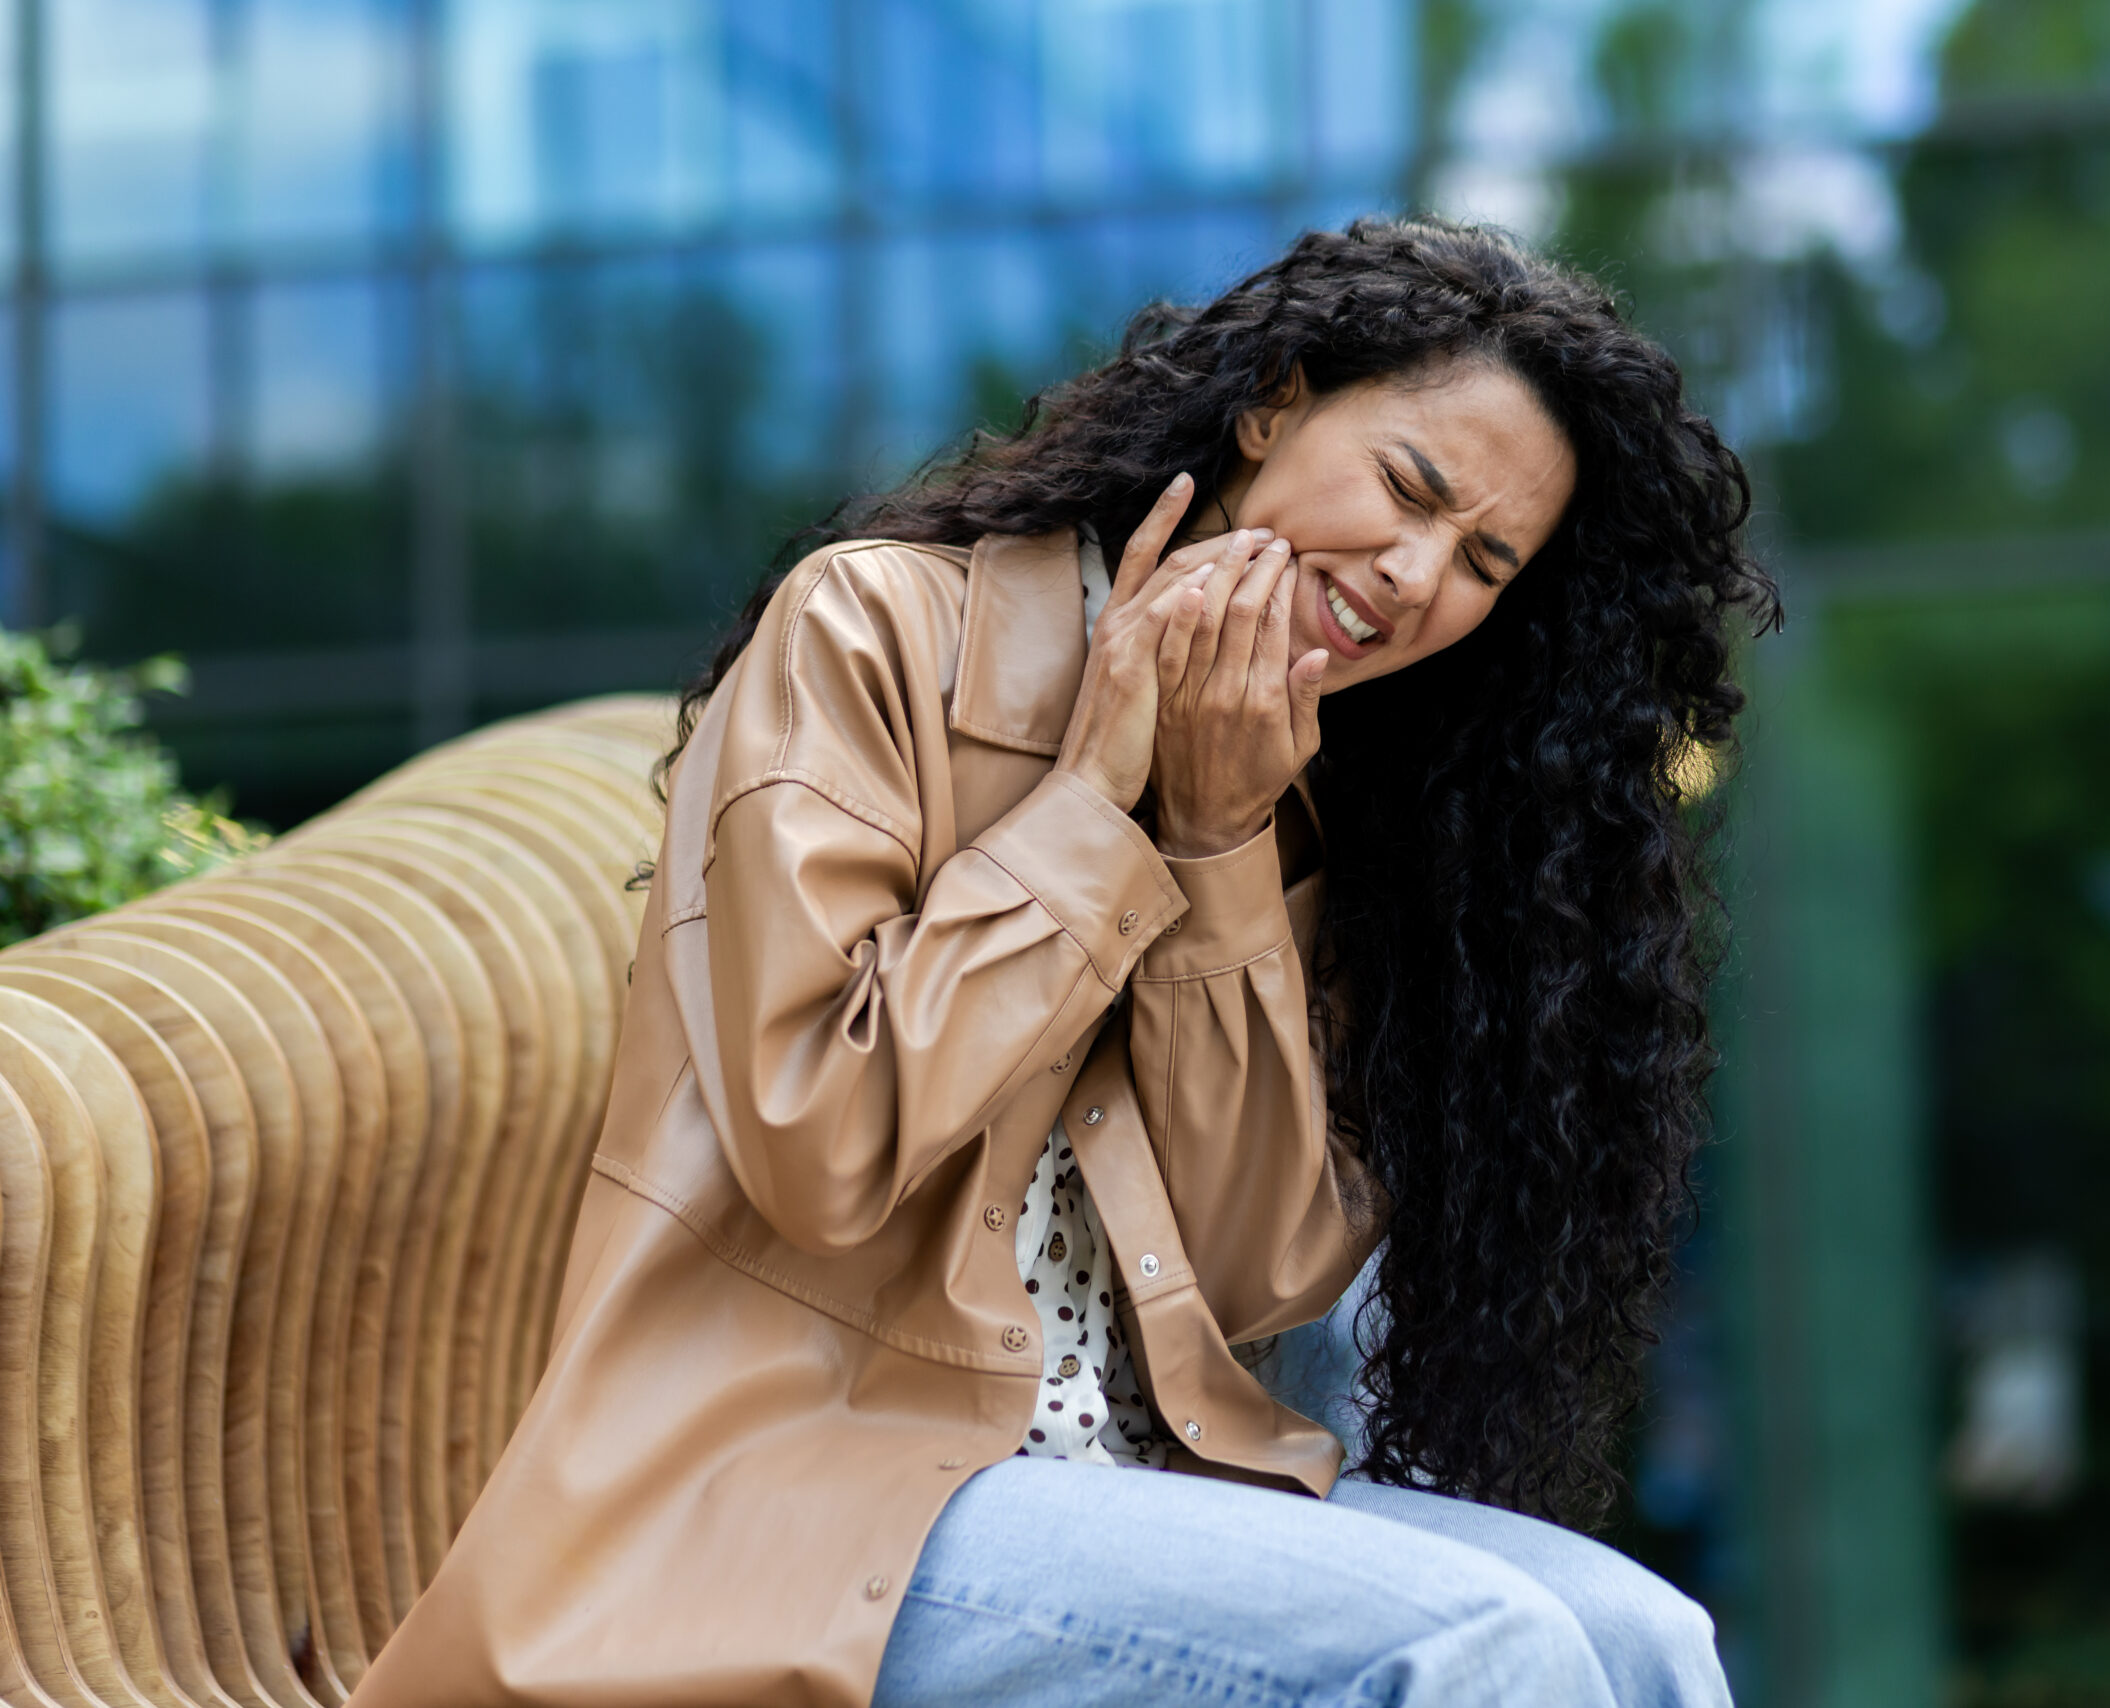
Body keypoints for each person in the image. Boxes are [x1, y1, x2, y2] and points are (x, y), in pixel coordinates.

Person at [347, 216, 1773, 1708]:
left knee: (1648, 1643)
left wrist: (1215, 845)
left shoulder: (1303, 791)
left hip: (1133, 1474)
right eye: (1409, 487)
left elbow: (1253, 1274)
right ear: (1272, 404)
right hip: (803, 1497)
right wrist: (1095, 810)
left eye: (1484, 561)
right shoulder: (876, 631)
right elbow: (820, 1141)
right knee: (1478, 1646)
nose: (1418, 575)